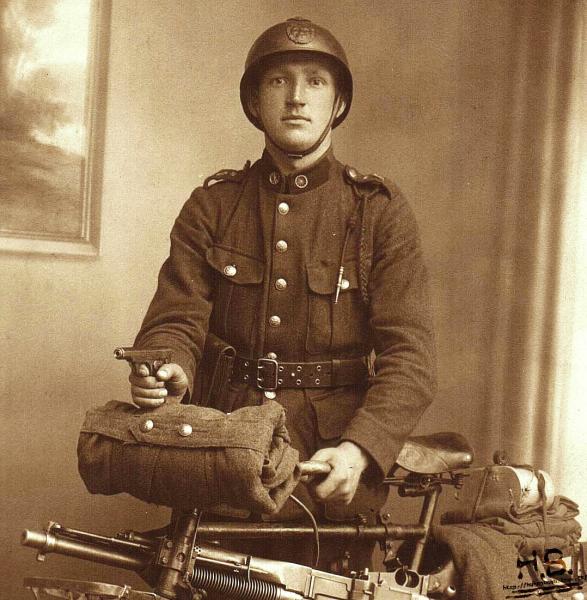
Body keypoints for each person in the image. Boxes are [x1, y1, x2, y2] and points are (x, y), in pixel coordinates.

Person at [128, 17, 436, 570]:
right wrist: (168, 366)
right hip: (222, 453)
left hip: (328, 469)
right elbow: (176, 317)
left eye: (315, 81)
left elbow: (410, 359)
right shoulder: (213, 206)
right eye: (278, 81)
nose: (296, 97)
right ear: (255, 100)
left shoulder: (378, 211)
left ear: (339, 102)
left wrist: (359, 451)